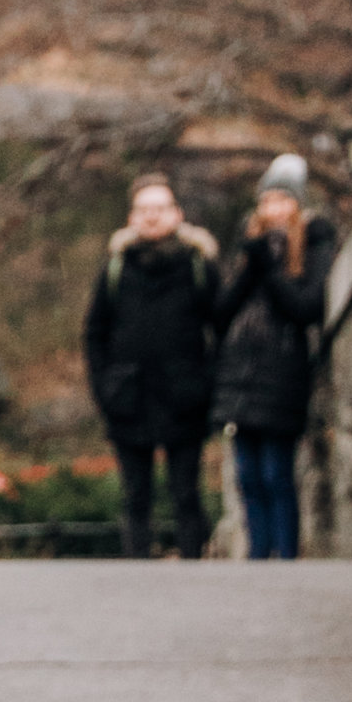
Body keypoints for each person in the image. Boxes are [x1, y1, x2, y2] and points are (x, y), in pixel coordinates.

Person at [83, 175, 219, 558]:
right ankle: (136, 574)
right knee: (135, 495)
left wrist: (207, 384)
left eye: (159, 209)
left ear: (177, 214)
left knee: (187, 492)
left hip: (185, 396)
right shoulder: (115, 268)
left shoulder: (199, 266)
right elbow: (95, 334)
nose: (152, 217)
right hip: (129, 397)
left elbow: (220, 329)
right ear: (131, 217)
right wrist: (105, 387)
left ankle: (195, 567)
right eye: (144, 210)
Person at [213, 155, 338, 559]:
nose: (274, 210)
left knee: (276, 473)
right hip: (240, 372)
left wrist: (271, 271)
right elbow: (221, 312)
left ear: (298, 204)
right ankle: (257, 553)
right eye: (268, 201)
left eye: (283, 201)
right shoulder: (248, 245)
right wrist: (251, 267)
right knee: (248, 475)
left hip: (283, 371)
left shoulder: (313, 241)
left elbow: (305, 308)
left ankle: (284, 557)